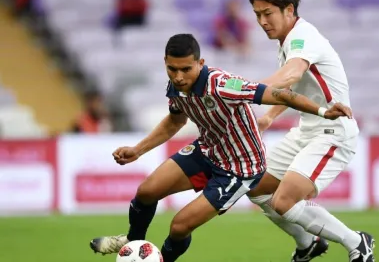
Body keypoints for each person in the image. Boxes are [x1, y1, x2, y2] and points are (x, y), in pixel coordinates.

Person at [89, 33, 353, 262]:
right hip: (208, 150)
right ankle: (134, 244)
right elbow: (175, 120)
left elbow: (278, 93)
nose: (179, 77)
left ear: (200, 64)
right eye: (172, 69)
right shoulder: (175, 86)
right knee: (146, 192)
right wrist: (138, 150)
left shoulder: (224, 84)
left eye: (185, 70)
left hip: (239, 168)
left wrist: (321, 109)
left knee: (179, 226)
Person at [245, 0, 375, 262]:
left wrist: (245, 91)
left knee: (283, 202)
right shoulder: (287, 41)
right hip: (307, 129)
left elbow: (291, 73)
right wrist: (270, 116)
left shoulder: (303, 37)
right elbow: (293, 84)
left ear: (289, 10)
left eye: (268, 13)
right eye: (257, 14)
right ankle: (308, 244)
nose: (262, 21)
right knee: (255, 187)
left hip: (333, 132)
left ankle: (357, 242)